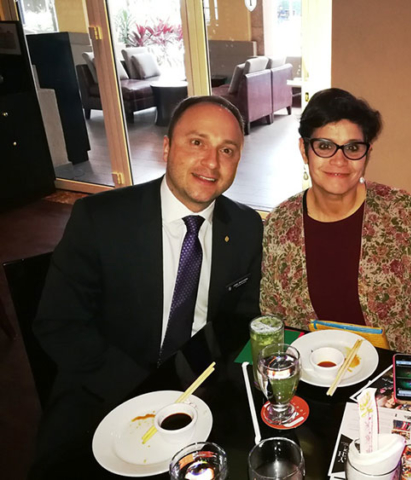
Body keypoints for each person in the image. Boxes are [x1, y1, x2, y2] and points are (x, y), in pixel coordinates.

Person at [32, 96, 263, 475]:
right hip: (104, 388)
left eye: (227, 150)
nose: (211, 162)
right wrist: (142, 387)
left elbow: (241, 317)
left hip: (201, 391)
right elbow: (58, 323)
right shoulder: (100, 219)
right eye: (197, 142)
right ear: (167, 147)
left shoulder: (246, 227)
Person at [260, 88, 411, 363]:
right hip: (319, 370)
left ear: (367, 153)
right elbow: (273, 314)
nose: (339, 160)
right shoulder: (279, 224)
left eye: (353, 148)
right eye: (325, 146)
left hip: (405, 368)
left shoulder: (402, 212)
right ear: (304, 149)